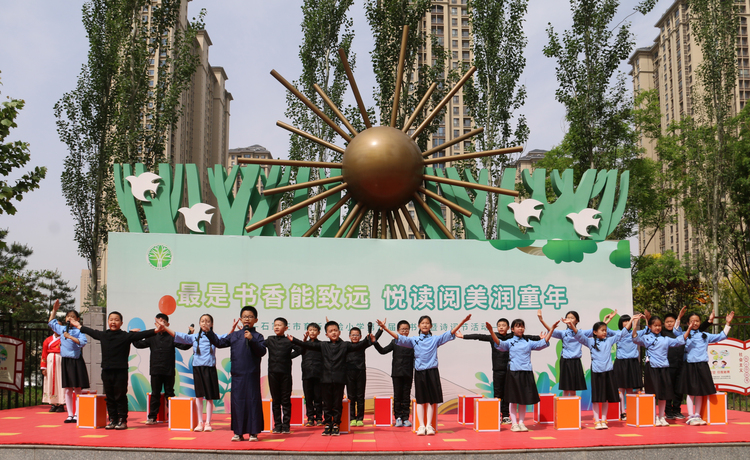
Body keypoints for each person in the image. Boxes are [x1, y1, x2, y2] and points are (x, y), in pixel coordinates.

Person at [375, 314, 471, 436]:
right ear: (419, 326)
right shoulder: (414, 340)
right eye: (423, 323)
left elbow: (450, 333)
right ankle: (421, 426)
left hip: (432, 372)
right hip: (420, 372)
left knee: (432, 401)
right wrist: (385, 328)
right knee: (420, 401)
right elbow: (398, 337)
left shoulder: (435, 339)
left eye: (427, 323)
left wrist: (462, 321)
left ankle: (429, 425)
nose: (425, 325)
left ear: (430, 326)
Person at [70, 311, 163, 430]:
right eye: (111, 320)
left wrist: (157, 329)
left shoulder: (126, 336)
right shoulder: (103, 335)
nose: (113, 322)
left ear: (121, 323)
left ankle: (122, 420)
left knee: (120, 396)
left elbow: (142, 334)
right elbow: (90, 332)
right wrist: (78, 325)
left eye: (116, 320)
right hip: (106, 371)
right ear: (108, 322)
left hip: (120, 371)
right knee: (109, 397)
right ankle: (113, 419)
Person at [289, 320, 375, 436]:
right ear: (326, 334)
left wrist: (367, 339)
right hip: (325, 379)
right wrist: (294, 340)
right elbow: (308, 345)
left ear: (339, 332)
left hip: (339, 379)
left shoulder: (345, 345)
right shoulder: (323, 345)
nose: (333, 333)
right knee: (327, 404)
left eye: (335, 330)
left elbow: (359, 346)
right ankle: (328, 424)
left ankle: (336, 424)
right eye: (330, 331)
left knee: (337, 404)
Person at [462, 314, 543, 424]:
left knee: (508, 394)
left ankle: (506, 416)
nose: (501, 327)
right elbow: (479, 336)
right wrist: (463, 336)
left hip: (510, 370)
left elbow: (527, 336)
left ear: (509, 328)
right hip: (497, 370)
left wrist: (539, 337)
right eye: (499, 325)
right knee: (498, 393)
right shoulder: (493, 337)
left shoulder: (512, 338)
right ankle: (497, 415)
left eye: (503, 325)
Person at [485, 318, 559, 432]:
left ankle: (521, 422)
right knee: (513, 399)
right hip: (514, 372)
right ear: (513, 329)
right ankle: (514, 423)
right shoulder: (510, 342)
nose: (520, 328)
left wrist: (552, 329)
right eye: (518, 326)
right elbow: (499, 343)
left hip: (527, 372)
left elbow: (542, 343)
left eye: (522, 326)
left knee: (523, 399)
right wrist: (491, 331)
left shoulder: (528, 342)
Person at [204, 306, 265, 441]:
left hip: (252, 375)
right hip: (237, 375)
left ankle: (253, 432)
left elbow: (262, 351)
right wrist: (209, 332)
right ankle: (238, 432)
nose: (247, 319)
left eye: (250, 317)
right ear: (241, 319)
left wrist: (252, 339)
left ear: (256, 320)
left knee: (252, 403)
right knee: (238, 403)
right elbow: (219, 343)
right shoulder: (235, 335)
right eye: (244, 316)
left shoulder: (258, 336)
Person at [569, 318, 633, 429]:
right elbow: (579, 335)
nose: (604, 332)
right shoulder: (590, 341)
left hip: (608, 372)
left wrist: (632, 319)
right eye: (602, 330)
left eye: (605, 330)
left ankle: (604, 420)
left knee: (606, 398)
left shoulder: (609, 340)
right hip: (597, 372)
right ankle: (597, 421)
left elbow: (622, 333)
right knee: (597, 398)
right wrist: (571, 324)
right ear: (594, 332)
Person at [539, 310, 617, 397]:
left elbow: (597, 329)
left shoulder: (581, 333)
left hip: (576, 361)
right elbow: (551, 330)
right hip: (565, 361)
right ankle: (565, 408)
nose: (569, 319)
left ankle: (573, 408)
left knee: (573, 389)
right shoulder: (563, 333)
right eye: (568, 317)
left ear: (577, 321)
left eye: (572, 318)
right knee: (566, 388)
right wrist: (541, 319)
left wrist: (607, 320)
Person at [173, 313, 229, 432]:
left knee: (209, 397)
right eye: (202, 321)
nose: (205, 323)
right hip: (197, 368)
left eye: (207, 321)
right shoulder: (194, 337)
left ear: (212, 324)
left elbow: (227, 337)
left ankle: (208, 422)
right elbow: (177, 335)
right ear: (199, 323)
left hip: (209, 368)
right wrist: (164, 327)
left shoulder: (215, 337)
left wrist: (234, 329)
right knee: (199, 396)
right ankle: (200, 422)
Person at [134, 313, 193, 424]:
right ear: (155, 323)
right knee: (155, 393)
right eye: (159, 322)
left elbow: (184, 346)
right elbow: (139, 344)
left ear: (167, 324)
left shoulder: (172, 336)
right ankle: (152, 417)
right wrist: (133, 335)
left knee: (169, 393)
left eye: (163, 322)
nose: (161, 324)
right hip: (155, 370)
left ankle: (172, 416)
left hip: (168, 370)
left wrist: (190, 333)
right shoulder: (151, 336)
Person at [679, 311, 734, 425]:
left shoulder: (705, 335)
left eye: (697, 321)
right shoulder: (684, 334)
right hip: (690, 365)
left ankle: (698, 415)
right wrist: (679, 317)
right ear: (688, 322)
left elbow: (721, 336)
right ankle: (690, 416)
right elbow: (675, 332)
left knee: (700, 391)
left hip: (702, 365)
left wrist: (728, 323)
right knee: (690, 392)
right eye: (692, 321)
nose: (695, 323)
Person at [631, 313, 685, 427]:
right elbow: (635, 339)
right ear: (650, 327)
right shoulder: (646, 338)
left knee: (663, 394)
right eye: (655, 325)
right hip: (652, 369)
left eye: (659, 325)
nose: (658, 327)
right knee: (653, 394)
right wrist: (635, 324)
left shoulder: (665, 338)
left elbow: (679, 341)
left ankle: (661, 416)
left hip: (664, 369)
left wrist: (688, 329)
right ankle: (654, 416)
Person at [48, 300, 89, 423]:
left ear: (77, 319)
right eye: (68, 317)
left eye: (72, 317)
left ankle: (77, 414)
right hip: (65, 361)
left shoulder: (79, 331)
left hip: (76, 361)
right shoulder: (61, 329)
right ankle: (70, 414)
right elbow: (51, 322)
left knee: (77, 389)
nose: (69, 319)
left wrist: (70, 337)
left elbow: (83, 343)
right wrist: (54, 310)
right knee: (67, 389)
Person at [645, 307, 687, 420]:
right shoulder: (661, 334)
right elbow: (651, 329)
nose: (669, 324)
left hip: (680, 364)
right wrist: (648, 318)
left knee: (679, 389)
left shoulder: (679, 332)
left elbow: (682, 338)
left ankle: (677, 410)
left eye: (671, 322)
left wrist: (679, 317)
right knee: (667, 389)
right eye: (667, 322)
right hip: (667, 365)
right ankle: (668, 411)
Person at [373, 320, 415, 427]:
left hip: (408, 373)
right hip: (397, 373)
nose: (404, 331)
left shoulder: (412, 342)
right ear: (398, 330)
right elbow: (382, 351)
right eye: (402, 329)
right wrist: (375, 342)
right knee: (397, 396)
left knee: (406, 396)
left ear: (409, 331)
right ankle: (398, 418)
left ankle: (406, 418)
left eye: (406, 329)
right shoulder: (395, 342)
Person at [265, 317, 302, 434]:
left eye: (279, 325)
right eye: (275, 325)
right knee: (276, 401)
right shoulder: (270, 339)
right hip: (272, 374)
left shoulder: (288, 340)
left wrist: (288, 356)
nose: (276, 327)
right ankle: (277, 425)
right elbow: (258, 344)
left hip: (285, 374)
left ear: (285, 328)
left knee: (285, 400)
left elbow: (300, 349)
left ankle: (286, 425)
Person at [612, 314, 642, 420]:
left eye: (628, 320)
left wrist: (644, 319)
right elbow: (603, 329)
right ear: (621, 323)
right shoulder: (617, 333)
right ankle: (622, 412)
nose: (626, 323)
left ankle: (630, 411)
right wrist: (609, 319)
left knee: (630, 388)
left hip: (632, 362)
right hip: (621, 362)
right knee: (621, 388)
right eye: (624, 321)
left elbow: (649, 329)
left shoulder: (635, 333)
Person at [346, 326, 372, 427]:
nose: (355, 337)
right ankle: (352, 418)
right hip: (349, 373)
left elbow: (372, 339)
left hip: (361, 372)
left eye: (357, 335)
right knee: (351, 396)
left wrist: (381, 329)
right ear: (349, 336)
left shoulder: (362, 345)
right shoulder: (346, 346)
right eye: (353, 335)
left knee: (360, 396)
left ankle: (360, 418)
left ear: (360, 336)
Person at [300, 322, 323, 427]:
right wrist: (304, 342)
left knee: (318, 398)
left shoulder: (322, 345)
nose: (312, 332)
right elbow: (298, 351)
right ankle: (310, 418)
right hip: (307, 375)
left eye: (314, 330)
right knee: (308, 398)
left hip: (319, 375)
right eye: (310, 330)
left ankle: (319, 418)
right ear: (307, 332)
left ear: (319, 332)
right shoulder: (304, 345)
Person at [41, 319, 64, 413]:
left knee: (61, 381)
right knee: (50, 381)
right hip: (50, 362)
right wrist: (43, 367)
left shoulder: (64, 338)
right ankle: (53, 404)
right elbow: (43, 354)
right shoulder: (47, 340)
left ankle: (61, 403)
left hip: (60, 361)